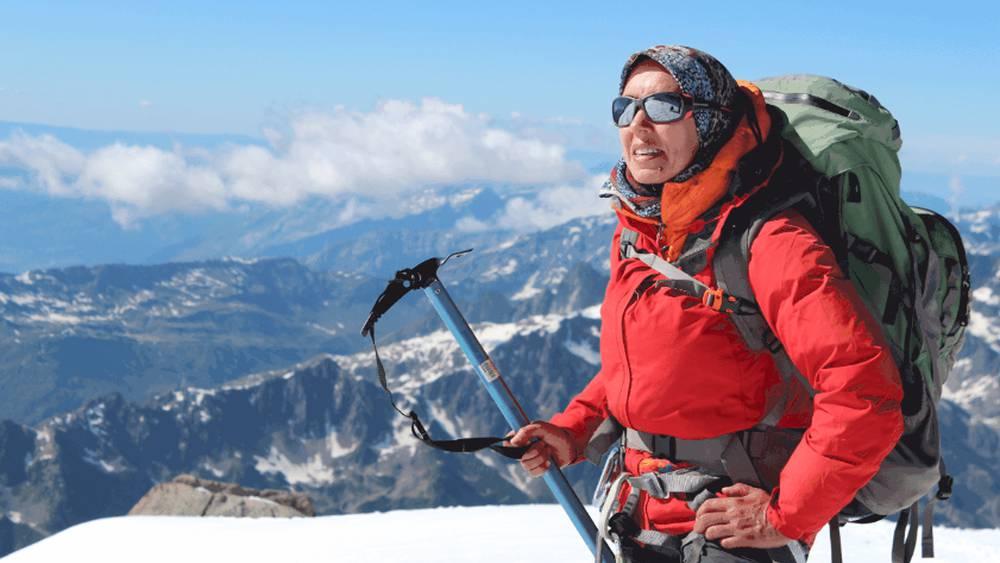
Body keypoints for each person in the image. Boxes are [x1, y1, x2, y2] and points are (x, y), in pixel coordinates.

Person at [508, 45, 904, 563]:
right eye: (625, 109)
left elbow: (863, 391)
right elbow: (646, 366)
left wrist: (785, 516)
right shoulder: (641, 232)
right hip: (641, 516)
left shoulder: (772, 241)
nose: (640, 126)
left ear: (714, 120)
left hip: (731, 531)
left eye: (666, 107)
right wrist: (575, 430)